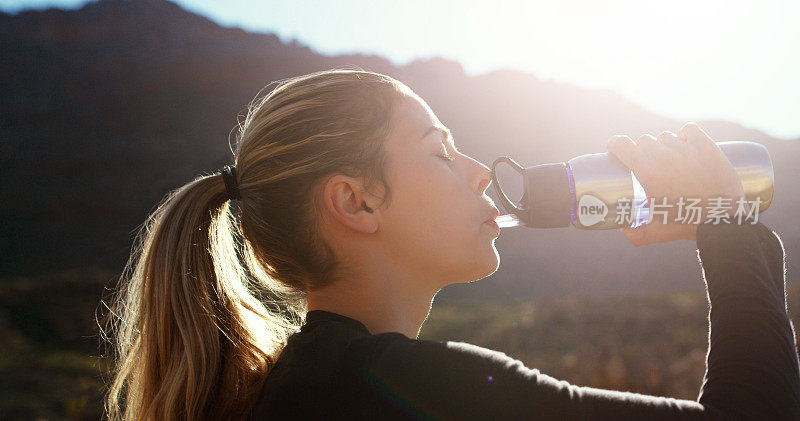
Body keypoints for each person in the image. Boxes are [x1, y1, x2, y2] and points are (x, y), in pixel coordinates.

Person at [103, 68, 800, 420]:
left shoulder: (295, 388)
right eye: (440, 151)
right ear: (356, 200)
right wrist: (730, 230)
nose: (477, 171)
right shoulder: (400, 385)